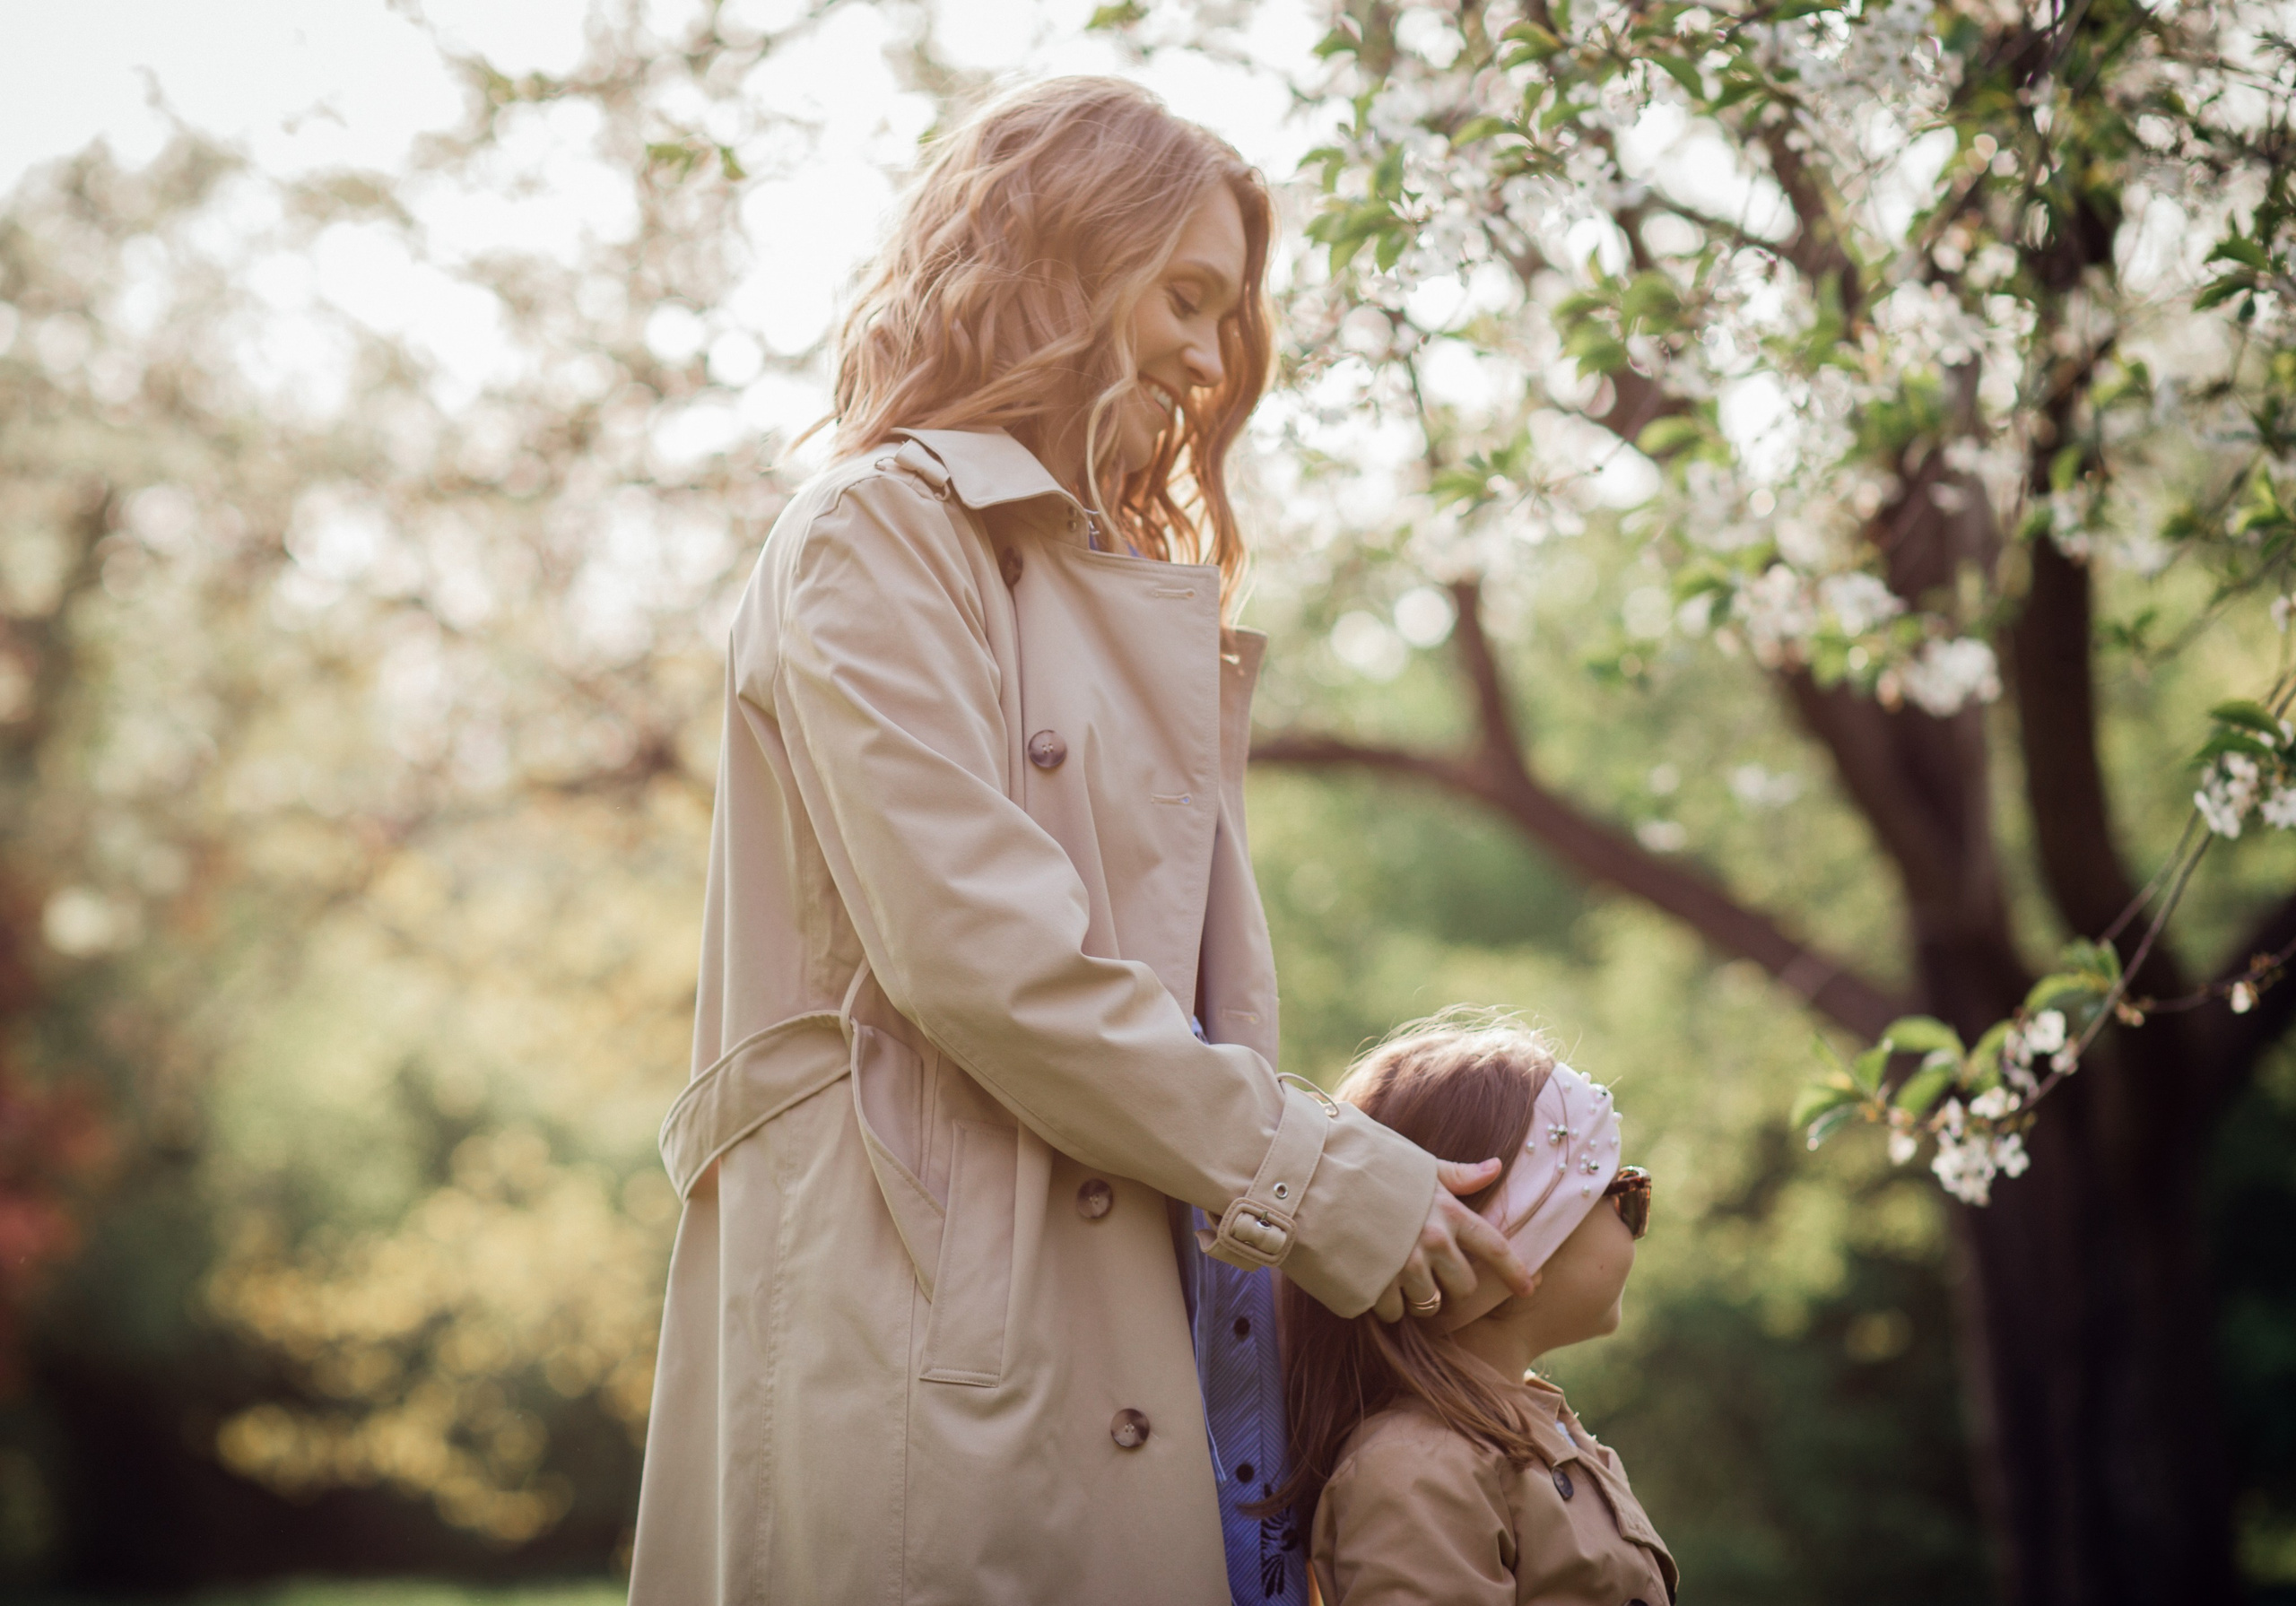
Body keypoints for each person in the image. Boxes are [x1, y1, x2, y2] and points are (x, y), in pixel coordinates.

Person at [626, 78, 1534, 1606]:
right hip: (930, 1357)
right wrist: (1325, 1181)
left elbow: (1174, 1012)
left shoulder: (1118, 601)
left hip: (1149, 1322)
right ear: (1058, 259)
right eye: (1185, 297)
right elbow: (986, 960)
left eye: (1228, 317)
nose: (1211, 359)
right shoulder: (875, 533)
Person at [1280, 1015, 1677, 1606]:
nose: (1635, 1223)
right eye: (1623, 1197)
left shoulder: (1536, 1428)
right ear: (1512, 1246)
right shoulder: (1417, 1470)